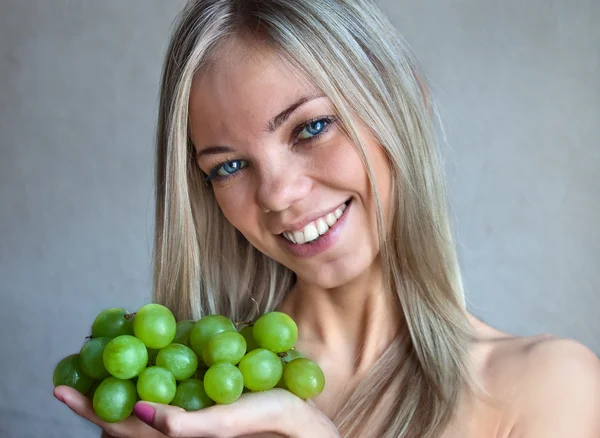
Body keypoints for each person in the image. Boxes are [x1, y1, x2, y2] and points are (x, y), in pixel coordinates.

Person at [53, 0, 600, 436]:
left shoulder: (550, 385)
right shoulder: (190, 396)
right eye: (231, 166)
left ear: (404, 101)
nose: (278, 195)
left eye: (310, 128)